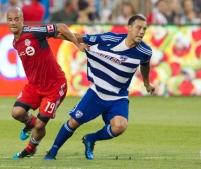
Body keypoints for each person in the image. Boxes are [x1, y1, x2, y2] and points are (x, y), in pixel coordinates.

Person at [44, 14, 155, 160]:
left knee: (119, 126)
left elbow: (145, 65)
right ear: (129, 28)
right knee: (73, 123)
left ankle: (90, 139)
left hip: (118, 97)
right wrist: (60, 36)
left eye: (144, 29)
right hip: (96, 93)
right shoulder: (109, 40)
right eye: (138, 27)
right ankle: (52, 151)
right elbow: (82, 38)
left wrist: (147, 83)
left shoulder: (145, 51)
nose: (141, 31)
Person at [6, 7, 87, 158]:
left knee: (40, 125)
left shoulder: (33, 32)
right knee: (17, 113)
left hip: (54, 87)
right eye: (10, 20)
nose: (13, 23)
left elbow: (61, 27)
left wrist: (77, 43)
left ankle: (30, 150)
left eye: (17, 19)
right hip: (34, 85)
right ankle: (30, 124)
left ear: (22, 19)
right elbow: (58, 35)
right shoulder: (15, 42)